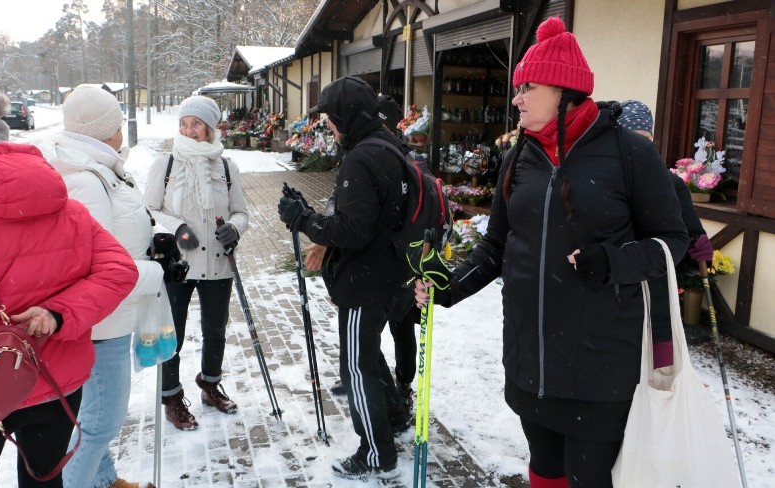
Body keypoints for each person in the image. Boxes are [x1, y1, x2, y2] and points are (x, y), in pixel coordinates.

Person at [413, 18, 688, 487]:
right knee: (544, 467)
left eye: (528, 87)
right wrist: (449, 285)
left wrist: (612, 261)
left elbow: (673, 242)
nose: (516, 98)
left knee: (589, 476)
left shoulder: (629, 156)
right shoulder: (518, 158)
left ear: (565, 92)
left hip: (600, 363)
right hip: (530, 357)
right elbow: (497, 244)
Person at [0, 84, 138, 487]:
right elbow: (119, 270)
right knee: (44, 481)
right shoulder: (67, 207)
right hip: (54, 380)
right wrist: (57, 313)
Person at [278, 76, 410, 479]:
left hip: (365, 282)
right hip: (391, 275)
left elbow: (353, 230)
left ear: (347, 115)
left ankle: (376, 453)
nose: (330, 127)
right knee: (368, 357)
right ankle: (393, 416)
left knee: (357, 368)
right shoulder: (391, 145)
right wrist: (312, 215)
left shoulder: (361, 157)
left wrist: (303, 220)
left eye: (332, 118)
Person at [37, 84, 164, 488]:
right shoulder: (86, 180)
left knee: (90, 416)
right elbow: (94, 269)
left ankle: (102, 481)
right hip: (100, 324)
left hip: (105, 318)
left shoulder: (94, 167)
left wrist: (151, 244)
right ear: (108, 128)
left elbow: (111, 241)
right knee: (100, 424)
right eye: (118, 117)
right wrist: (156, 271)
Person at [143, 95, 249, 429]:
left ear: (210, 128)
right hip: (178, 264)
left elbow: (241, 212)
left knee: (215, 331)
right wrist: (177, 229)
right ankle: (172, 396)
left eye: (196, 124)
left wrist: (234, 228)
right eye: (184, 124)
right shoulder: (167, 164)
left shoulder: (227, 167)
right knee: (171, 333)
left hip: (218, 264)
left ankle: (210, 383)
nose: (189, 130)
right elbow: (149, 208)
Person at [308, 94, 418, 407]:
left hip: (391, 264)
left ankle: (402, 387)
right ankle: (374, 383)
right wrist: (326, 233)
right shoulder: (371, 149)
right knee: (368, 336)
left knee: (399, 327)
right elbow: (338, 200)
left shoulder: (392, 153)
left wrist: (318, 227)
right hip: (386, 263)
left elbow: (363, 222)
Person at [615, 100, 715, 354]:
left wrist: (697, 248)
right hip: (611, 282)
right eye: (631, 138)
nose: (639, 147)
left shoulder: (671, 183)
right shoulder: (603, 181)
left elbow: (684, 238)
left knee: (656, 363)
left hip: (655, 287)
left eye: (645, 140)